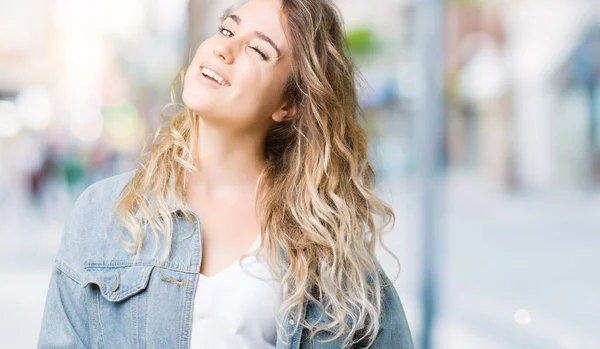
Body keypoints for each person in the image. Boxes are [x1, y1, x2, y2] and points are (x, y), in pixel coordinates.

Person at [37, 0, 414, 348]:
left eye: (258, 49)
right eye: (228, 30)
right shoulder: (104, 212)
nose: (223, 49)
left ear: (288, 104)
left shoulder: (325, 248)